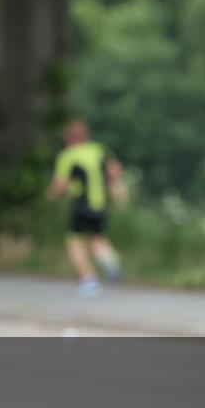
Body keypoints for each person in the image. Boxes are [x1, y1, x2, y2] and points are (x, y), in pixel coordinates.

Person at [47, 120, 125, 298]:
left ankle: (89, 281)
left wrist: (51, 196)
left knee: (74, 242)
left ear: (69, 138)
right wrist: (116, 191)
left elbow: (60, 185)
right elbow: (115, 170)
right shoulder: (99, 149)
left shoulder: (69, 155)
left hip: (81, 204)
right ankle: (110, 261)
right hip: (101, 203)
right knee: (97, 238)